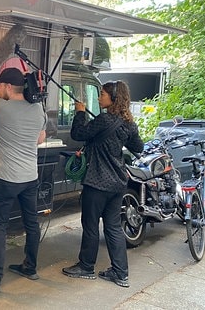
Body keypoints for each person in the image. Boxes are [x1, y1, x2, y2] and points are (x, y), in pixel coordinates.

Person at [62, 80, 143, 288]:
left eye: (103, 94)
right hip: (117, 183)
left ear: (113, 98)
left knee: (90, 225)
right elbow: (138, 147)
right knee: (113, 227)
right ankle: (120, 272)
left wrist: (80, 112)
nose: (99, 98)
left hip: (97, 182)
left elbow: (78, 134)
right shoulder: (128, 124)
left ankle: (86, 266)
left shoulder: (104, 120)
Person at [0, 67, 47, 293]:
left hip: (6, 176)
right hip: (30, 176)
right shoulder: (38, 108)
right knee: (31, 223)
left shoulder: (0, 107)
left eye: (1, 85)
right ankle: (31, 267)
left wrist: (2, 92)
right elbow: (40, 139)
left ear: (7, 87)